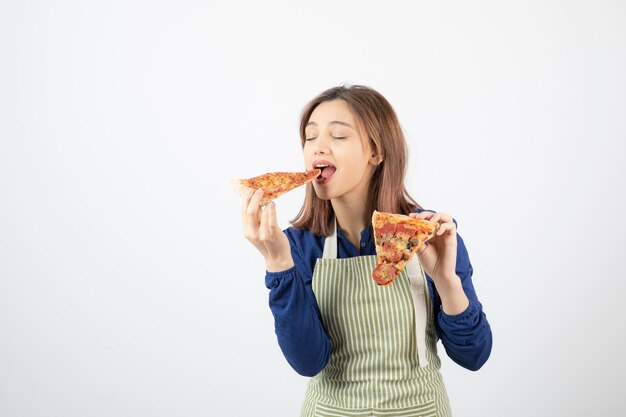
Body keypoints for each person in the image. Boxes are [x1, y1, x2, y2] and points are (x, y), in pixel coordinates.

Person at [239, 84, 492, 417]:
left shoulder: (428, 234)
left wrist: (445, 279)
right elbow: (308, 362)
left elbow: (473, 356)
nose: (318, 147)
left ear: (376, 152)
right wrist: (277, 262)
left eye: (338, 136)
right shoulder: (297, 245)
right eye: (310, 137)